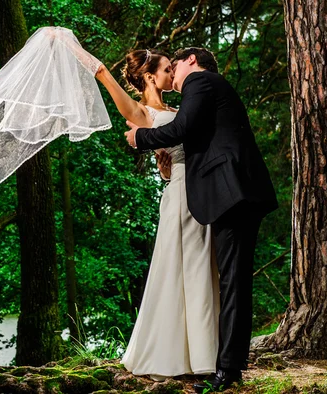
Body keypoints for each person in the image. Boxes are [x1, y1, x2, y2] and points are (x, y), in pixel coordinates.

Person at [124, 47, 278, 392]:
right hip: (230, 194)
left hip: (233, 195)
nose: (173, 76)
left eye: (174, 66)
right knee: (229, 280)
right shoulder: (208, 90)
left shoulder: (201, 81)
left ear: (190, 62)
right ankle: (225, 362)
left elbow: (182, 126)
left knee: (232, 281)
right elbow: (197, 138)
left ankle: (227, 370)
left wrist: (140, 138)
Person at [66, 40, 221, 380]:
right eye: (167, 69)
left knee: (197, 271)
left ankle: (202, 353)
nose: (172, 74)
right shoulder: (142, 113)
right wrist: (67, 43)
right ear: (150, 77)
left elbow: (170, 161)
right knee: (180, 272)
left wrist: (164, 166)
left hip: (191, 189)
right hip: (181, 197)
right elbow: (103, 72)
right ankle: (178, 356)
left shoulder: (181, 112)